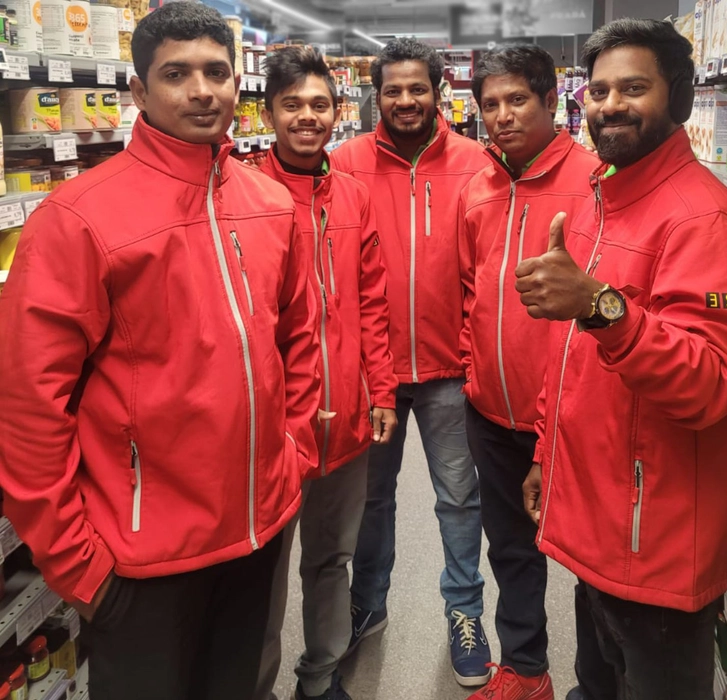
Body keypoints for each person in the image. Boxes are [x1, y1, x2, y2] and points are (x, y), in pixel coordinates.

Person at [0, 5, 321, 700]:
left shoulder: (270, 204)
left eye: (216, 72)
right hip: (141, 561)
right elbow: (28, 405)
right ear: (139, 92)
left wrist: (293, 458)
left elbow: (298, 341)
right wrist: (77, 565)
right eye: (176, 74)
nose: (201, 91)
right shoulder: (77, 219)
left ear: (236, 82)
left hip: (259, 532)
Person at [515, 18, 727, 699]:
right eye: (598, 91)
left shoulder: (703, 219)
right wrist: (545, 454)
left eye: (632, 88)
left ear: (677, 97)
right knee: (595, 682)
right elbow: (569, 359)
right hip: (598, 529)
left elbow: (711, 381)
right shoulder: (604, 198)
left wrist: (601, 307)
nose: (609, 105)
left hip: (654, 548)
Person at [332, 38, 493, 687]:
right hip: (373, 371)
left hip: (450, 369)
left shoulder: (477, 164)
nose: (405, 100)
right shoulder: (344, 163)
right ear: (376, 95)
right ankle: (367, 603)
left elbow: (488, 268)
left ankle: (464, 614)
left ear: (438, 91)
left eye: (417, 88)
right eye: (393, 90)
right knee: (371, 500)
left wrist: (475, 348)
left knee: (459, 498)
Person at [255, 46, 398, 700]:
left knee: (331, 559)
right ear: (269, 113)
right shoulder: (245, 196)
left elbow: (371, 303)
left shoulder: (355, 197)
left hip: (344, 417)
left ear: (336, 112)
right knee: (261, 570)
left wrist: (382, 390)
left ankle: (320, 677)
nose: (306, 117)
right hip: (271, 428)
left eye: (318, 104)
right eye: (292, 105)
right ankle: (254, 685)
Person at [459, 46, 598, 700]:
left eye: (517, 100)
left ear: (550, 100)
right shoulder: (478, 187)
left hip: (571, 414)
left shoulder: (594, 182)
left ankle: (601, 684)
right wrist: (472, 369)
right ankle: (524, 669)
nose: (502, 116)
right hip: (490, 409)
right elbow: (470, 287)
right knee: (510, 548)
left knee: (591, 558)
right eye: (490, 104)